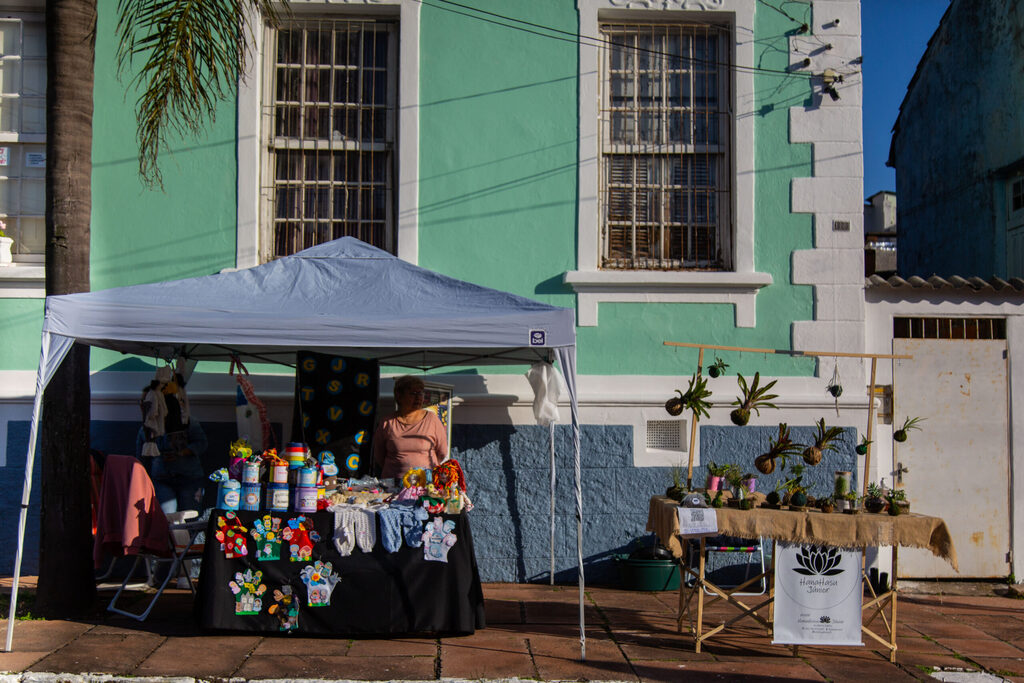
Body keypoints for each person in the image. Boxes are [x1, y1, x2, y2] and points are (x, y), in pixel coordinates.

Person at [135, 368, 208, 514]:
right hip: (162, 478)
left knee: (190, 515)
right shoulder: (146, 430)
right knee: (166, 516)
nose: (144, 407)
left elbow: (202, 443)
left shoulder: (187, 423)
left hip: (189, 477)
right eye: (143, 403)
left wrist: (183, 452)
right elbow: (141, 459)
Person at [373, 375, 448, 481]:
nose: (418, 398)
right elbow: (379, 455)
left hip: (426, 483)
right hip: (393, 483)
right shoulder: (387, 422)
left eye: (420, 393)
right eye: (413, 393)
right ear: (399, 396)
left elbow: (442, 452)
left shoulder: (432, 419)